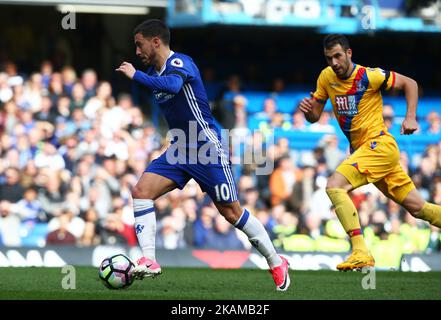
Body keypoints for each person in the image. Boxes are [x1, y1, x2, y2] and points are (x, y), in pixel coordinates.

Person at [116, 19, 290, 291]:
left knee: (231, 213)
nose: (137, 52)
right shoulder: (155, 70)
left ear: (156, 42)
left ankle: (275, 260)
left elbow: (173, 86)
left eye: (139, 45)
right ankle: (149, 259)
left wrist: (135, 76)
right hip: (180, 148)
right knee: (141, 191)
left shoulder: (180, 63)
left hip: (206, 147)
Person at [299, 34, 441, 271]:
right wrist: (307, 112)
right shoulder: (326, 77)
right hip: (367, 152)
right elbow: (314, 117)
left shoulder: (369, 76)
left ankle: (360, 251)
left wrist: (410, 117)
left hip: (379, 146)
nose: (333, 62)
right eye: (328, 58)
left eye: (337, 56)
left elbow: (410, 84)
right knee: (419, 209)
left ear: (349, 53)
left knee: (334, 185)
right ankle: (360, 252)